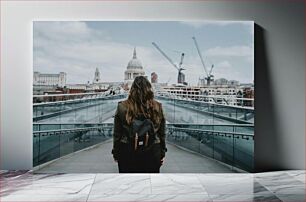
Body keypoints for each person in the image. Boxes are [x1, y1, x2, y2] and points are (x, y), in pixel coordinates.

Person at [111, 76, 167, 173]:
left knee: (128, 184)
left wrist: (116, 153)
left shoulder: (122, 107)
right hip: (153, 151)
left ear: (132, 89)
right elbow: (162, 134)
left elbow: (117, 134)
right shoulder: (158, 106)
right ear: (149, 89)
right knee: (151, 184)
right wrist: (162, 153)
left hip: (127, 151)